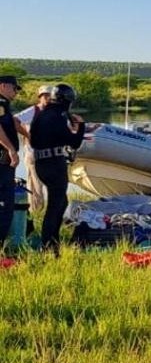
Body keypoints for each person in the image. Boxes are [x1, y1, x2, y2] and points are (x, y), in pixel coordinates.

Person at [30, 83, 84, 254]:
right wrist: (80, 127)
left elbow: (32, 140)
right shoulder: (58, 116)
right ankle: (49, 246)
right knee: (55, 206)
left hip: (41, 163)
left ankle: (53, 241)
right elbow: (74, 142)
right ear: (66, 101)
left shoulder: (41, 114)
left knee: (62, 202)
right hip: (54, 165)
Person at [15, 85, 54, 212]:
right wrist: (27, 134)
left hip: (49, 155)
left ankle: (44, 211)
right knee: (35, 184)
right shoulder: (33, 110)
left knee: (49, 185)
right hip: (33, 154)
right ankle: (36, 212)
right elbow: (14, 120)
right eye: (45, 96)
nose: (48, 98)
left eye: (50, 96)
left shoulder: (54, 112)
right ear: (40, 97)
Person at [0, 75, 22, 248]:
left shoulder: (5, 106)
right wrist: (11, 149)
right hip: (2, 163)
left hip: (4, 164)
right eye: (14, 88)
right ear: (3, 86)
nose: (16, 92)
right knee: (5, 205)